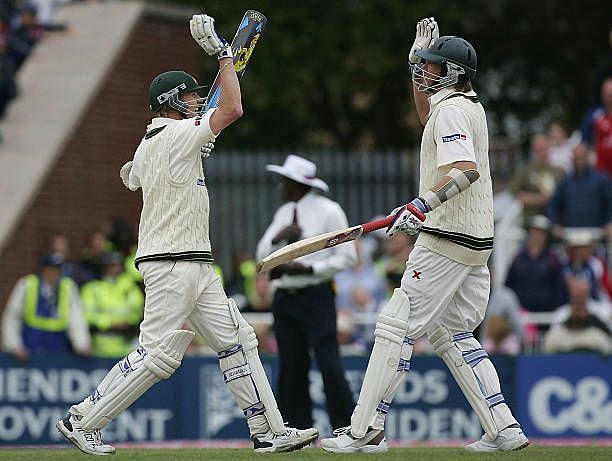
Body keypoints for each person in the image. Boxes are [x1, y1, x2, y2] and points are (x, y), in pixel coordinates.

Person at [56, 15, 317, 455]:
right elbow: (232, 109)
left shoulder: (154, 142)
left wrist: (192, 145)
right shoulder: (178, 135)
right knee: (157, 356)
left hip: (194, 263)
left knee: (238, 341)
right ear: (172, 101)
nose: (200, 101)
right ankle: (82, 420)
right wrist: (224, 55)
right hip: (172, 263)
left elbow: (131, 178)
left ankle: (268, 431)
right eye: (194, 96)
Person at [321, 19, 528, 453]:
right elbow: (424, 116)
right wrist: (414, 61)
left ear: (452, 73)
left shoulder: (452, 111)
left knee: (395, 325)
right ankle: (503, 426)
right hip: (474, 244)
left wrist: (421, 205)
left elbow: (464, 171)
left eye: (432, 67)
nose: (423, 72)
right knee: (452, 334)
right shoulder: (463, 106)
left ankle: (364, 430)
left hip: (447, 238)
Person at [256, 154, 358, 432]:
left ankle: (347, 428)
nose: (281, 187)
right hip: (285, 299)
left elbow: (347, 257)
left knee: (329, 364)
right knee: (290, 368)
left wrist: (310, 271)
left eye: (284, 181)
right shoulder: (283, 214)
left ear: (295, 183)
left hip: (316, 295)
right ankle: (296, 429)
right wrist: (278, 238)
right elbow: (261, 256)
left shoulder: (329, 211)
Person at [1, 254, 91, 360]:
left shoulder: (68, 287)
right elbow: (12, 317)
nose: (55, 274)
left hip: (58, 351)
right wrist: (14, 346)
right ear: (44, 270)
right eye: (52, 269)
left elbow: (77, 319)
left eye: (58, 270)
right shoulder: (27, 284)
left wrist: (82, 344)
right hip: (29, 352)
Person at [81, 252, 144, 358]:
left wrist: (129, 321)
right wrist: (109, 323)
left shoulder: (128, 286)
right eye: (112, 265)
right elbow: (87, 315)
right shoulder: (92, 288)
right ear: (105, 267)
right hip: (100, 345)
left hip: (125, 345)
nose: (116, 269)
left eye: (118, 265)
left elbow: (137, 309)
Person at [547, 143, 612, 237]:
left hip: (596, 235)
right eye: (577, 157)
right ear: (572, 158)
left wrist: (610, 222)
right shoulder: (565, 181)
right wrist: (555, 225)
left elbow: (610, 202)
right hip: (571, 235)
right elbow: (553, 204)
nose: (579, 161)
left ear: (588, 157)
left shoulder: (601, 179)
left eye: (582, 157)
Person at [511, 133, 565, 227]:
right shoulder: (525, 170)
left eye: (544, 147)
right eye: (539, 148)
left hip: (556, 221)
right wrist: (539, 199)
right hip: (531, 220)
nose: (542, 151)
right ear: (534, 150)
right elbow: (516, 194)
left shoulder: (559, 171)